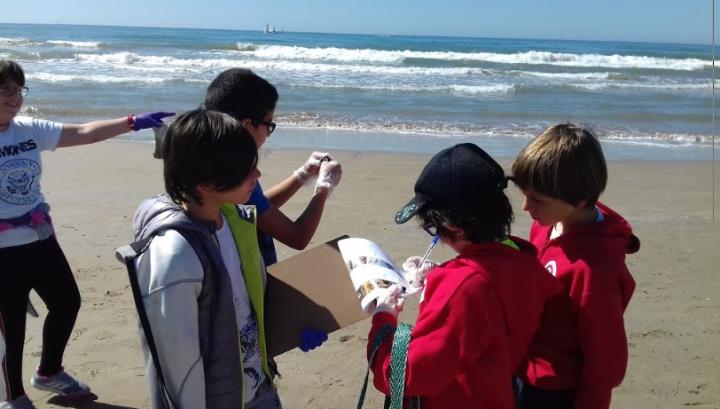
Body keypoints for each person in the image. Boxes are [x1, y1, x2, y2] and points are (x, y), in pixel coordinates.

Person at [0, 60, 172, 409]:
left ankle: (48, 373)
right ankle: (13, 396)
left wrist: (132, 122)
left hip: (39, 238)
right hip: (2, 251)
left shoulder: (28, 129)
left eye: (19, 90)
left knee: (67, 302)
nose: (15, 98)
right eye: (6, 90)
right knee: (11, 328)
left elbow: (84, 132)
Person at [364, 143, 561, 409]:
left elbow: (403, 375)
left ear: (452, 226)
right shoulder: (523, 260)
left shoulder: (462, 288)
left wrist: (384, 318)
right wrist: (441, 274)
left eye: (433, 228)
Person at [117, 108, 283, 409]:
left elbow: (251, 305)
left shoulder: (237, 221)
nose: (257, 176)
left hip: (259, 386)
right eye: (246, 170)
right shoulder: (175, 255)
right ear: (205, 185)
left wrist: (295, 324)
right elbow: (179, 365)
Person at [511, 124, 639, 409]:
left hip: (554, 393)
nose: (525, 207)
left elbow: (605, 362)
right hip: (524, 368)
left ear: (578, 200)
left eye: (537, 200)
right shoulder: (546, 226)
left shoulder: (594, 270)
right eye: (525, 194)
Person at [203, 68, 342, 266]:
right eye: (268, 125)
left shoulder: (210, 153)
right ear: (247, 125)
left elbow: (255, 206)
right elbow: (298, 237)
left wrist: (302, 175)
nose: (269, 132)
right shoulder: (232, 171)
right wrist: (324, 188)